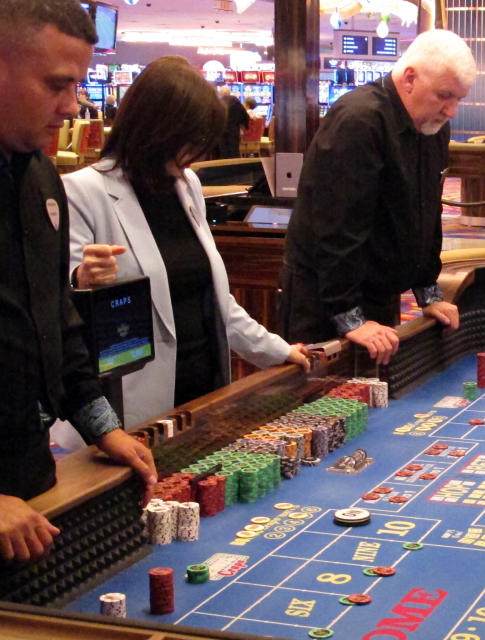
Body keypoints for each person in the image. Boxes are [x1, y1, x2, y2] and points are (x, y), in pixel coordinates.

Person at [63, 56, 309, 428]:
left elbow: (215, 297)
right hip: (126, 405)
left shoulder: (187, 185)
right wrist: (80, 278)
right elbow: (58, 302)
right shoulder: (82, 191)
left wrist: (276, 350)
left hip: (203, 387)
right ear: (156, 130)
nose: (199, 153)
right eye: (191, 140)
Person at [0, 0, 156, 563]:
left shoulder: (41, 174)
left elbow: (55, 317)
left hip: (28, 478)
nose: (72, 107)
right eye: (56, 85)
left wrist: (102, 426)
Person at [280, 29, 476, 365]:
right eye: (445, 95)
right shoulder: (359, 120)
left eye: (459, 98)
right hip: (324, 299)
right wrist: (349, 316)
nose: (452, 110)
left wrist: (428, 293)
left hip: (378, 293)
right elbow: (337, 227)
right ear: (410, 78)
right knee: (325, 411)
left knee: (376, 397)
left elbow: (426, 214)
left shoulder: (432, 127)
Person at [216, 85, 249, 159]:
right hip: (233, 130)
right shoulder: (236, 101)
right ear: (230, 92)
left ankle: (224, 167)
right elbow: (244, 115)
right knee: (234, 151)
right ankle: (235, 167)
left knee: (223, 151)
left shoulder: (218, 102)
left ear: (220, 93)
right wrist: (245, 125)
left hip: (221, 130)